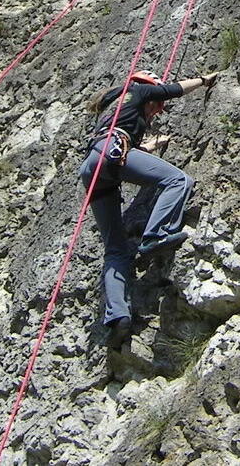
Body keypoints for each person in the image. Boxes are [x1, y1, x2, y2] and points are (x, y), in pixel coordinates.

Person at [79, 69, 218, 348]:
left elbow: (122, 145)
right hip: (112, 154)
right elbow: (173, 89)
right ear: (148, 89)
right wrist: (204, 81)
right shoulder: (140, 90)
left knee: (115, 250)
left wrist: (153, 144)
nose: (156, 110)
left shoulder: (113, 103)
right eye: (156, 105)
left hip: (93, 165)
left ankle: (118, 316)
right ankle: (156, 235)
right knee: (178, 180)